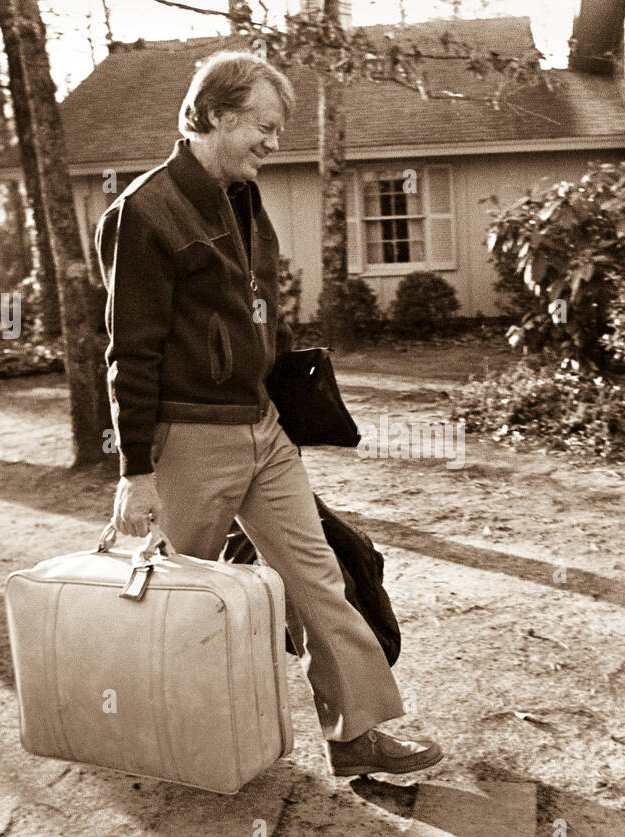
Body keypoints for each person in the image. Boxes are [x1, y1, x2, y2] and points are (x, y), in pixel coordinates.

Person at [96, 51, 442, 779]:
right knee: (176, 600)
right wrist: (136, 470)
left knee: (321, 580)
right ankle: (152, 736)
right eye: (263, 126)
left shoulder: (245, 202)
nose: (273, 143)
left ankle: (358, 736)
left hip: (262, 430)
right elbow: (130, 351)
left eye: (277, 130)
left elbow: (260, 320)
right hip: (189, 439)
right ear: (217, 115)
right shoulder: (145, 213)